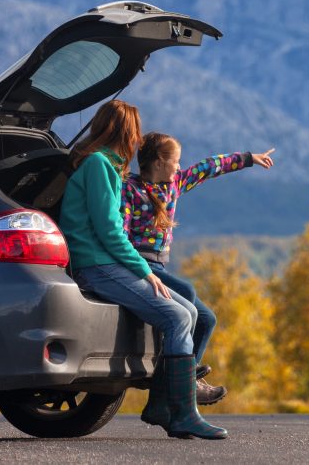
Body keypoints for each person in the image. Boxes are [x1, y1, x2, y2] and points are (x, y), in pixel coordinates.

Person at [59, 100, 226, 440]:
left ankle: (164, 406)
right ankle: (182, 414)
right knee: (179, 317)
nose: (137, 141)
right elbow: (109, 231)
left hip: (105, 261)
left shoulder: (104, 166)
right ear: (125, 131)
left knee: (190, 312)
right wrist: (145, 271)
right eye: (135, 131)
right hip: (97, 265)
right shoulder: (98, 166)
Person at [123, 132, 275, 410]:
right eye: (176, 161)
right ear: (159, 161)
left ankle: (186, 376)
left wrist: (249, 159)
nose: (180, 167)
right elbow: (120, 235)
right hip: (140, 266)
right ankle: (181, 385)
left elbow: (209, 167)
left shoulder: (175, 184)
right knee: (189, 292)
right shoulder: (129, 190)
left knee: (207, 320)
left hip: (160, 264)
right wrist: (137, 268)